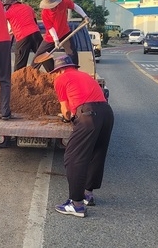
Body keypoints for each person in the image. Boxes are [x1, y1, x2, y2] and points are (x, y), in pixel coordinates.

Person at [50, 55, 114, 218]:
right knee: (96, 153)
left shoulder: (60, 79)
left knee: (73, 157)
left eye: (55, 72)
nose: (55, 75)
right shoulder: (85, 75)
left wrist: (67, 118)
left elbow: (66, 110)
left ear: (60, 70)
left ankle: (76, 204)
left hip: (89, 115)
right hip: (107, 113)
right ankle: (88, 194)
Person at [33, 0, 90, 72]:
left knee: (72, 53)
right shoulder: (45, 13)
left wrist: (85, 16)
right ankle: (47, 72)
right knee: (40, 54)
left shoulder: (64, 2)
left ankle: (74, 71)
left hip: (65, 33)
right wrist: (56, 40)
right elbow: (50, 28)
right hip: (51, 37)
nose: (50, 8)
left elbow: (75, 7)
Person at [3, 0, 43, 71]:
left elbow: (1, 23)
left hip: (22, 37)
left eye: (6, 5)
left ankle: (17, 81)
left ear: (11, 3)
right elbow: (34, 22)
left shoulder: (8, 12)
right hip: (36, 34)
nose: (5, 7)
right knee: (44, 56)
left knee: (20, 63)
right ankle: (55, 73)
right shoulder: (28, 8)